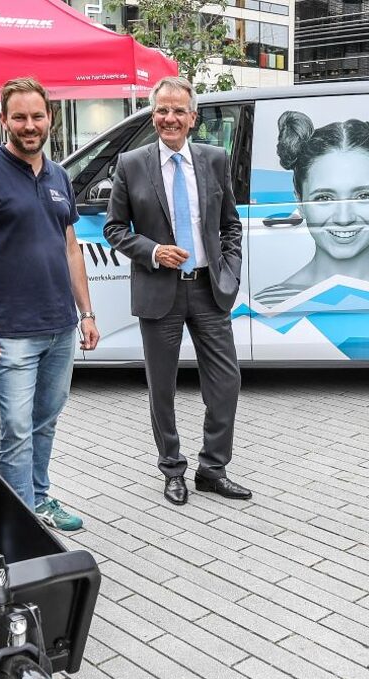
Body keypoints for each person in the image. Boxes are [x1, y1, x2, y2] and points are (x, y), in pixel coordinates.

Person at [0, 78, 99, 532]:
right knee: (15, 428)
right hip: (10, 330)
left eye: (37, 116)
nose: (29, 125)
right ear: (3, 120)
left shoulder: (58, 175)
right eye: (19, 117)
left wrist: (87, 313)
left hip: (59, 325)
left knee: (45, 421)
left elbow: (71, 247)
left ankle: (37, 497)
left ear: (50, 119)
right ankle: (18, 520)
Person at [104, 76, 249, 506]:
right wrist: (151, 251)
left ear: (193, 117)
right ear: (154, 116)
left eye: (178, 111)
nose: (170, 118)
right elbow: (114, 228)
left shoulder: (214, 159)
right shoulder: (131, 163)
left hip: (208, 289)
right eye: (162, 110)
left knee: (226, 382)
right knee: (162, 387)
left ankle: (212, 469)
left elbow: (230, 225)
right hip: (159, 292)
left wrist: (230, 272)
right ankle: (172, 468)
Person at [258, 107, 369, 305]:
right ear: (299, 199)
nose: (344, 218)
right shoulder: (268, 303)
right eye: (324, 198)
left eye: (363, 196)